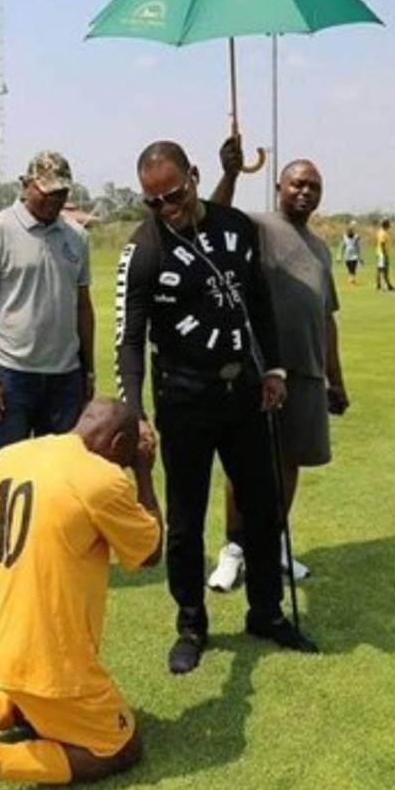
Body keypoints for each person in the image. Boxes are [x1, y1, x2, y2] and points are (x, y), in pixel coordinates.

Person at [115, 139, 317, 676]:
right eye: (152, 201)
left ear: (195, 177)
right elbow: (128, 340)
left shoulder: (237, 227)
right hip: (184, 399)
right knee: (185, 519)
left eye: (174, 194)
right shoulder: (144, 251)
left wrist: (272, 368)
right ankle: (190, 622)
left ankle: (267, 612)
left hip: (246, 392)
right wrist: (134, 410)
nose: (165, 208)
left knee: (262, 503)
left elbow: (258, 302)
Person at [0, 398, 162, 790]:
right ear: (117, 443)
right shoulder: (103, 479)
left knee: (36, 707)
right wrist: (145, 471)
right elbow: (150, 553)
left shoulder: (8, 456)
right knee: (119, 747)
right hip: (51, 660)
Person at [207, 152, 349, 589]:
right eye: (298, 184)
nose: (305, 191)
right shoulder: (260, 228)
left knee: (291, 462)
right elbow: (214, 219)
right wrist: (230, 172)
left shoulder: (321, 249)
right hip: (259, 369)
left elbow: (326, 317)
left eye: (314, 186)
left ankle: (273, 543)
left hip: (305, 373)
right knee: (243, 464)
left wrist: (335, 379)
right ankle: (234, 548)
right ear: (279, 188)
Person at [0, 151, 95, 453]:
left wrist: (87, 371)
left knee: (61, 475)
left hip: (65, 377)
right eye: (48, 192)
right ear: (26, 185)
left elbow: (82, 306)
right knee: (9, 472)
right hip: (12, 375)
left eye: (62, 193)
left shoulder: (77, 236)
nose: (55, 200)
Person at [375, 218, 395, 291]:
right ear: (386, 225)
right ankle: (385, 286)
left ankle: (381, 285)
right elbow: (382, 243)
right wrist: (384, 253)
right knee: (383, 270)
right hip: (382, 253)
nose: (389, 226)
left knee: (380, 269)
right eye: (388, 224)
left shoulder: (381, 232)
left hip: (380, 252)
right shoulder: (383, 233)